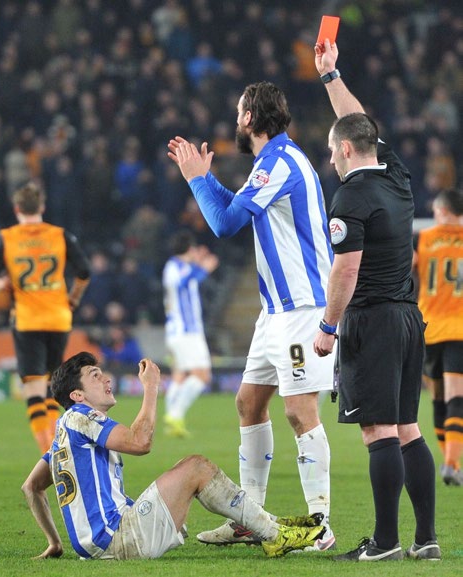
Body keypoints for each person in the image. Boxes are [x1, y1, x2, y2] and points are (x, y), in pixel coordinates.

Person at [167, 81, 335, 550]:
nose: (235, 117)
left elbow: (223, 224)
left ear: (249, 118)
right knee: (248, 403)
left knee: (300, 411)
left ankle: (321, 524)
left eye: (238, 110)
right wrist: (204, 177)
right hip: (276, 311)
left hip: (302, 307)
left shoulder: (279, 162)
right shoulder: (272, 162)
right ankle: (250, 520)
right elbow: (236, 207)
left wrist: (195, 180)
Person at [312, 40, 439, 561]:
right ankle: (425, 540)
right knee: (408, 426)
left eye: (330, 147)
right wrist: (330, 76)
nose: (331, 154)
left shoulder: (350, 198)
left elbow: (346, 269)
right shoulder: (397, 177)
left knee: (376, 429)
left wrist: (327, 325)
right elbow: (360, 123)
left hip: (373, 320)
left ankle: (384, 543)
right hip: (410, 318)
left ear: (342, 151)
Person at [21, 351, 326, 560]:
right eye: (95, 375)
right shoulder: (79, 416)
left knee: (188, 469)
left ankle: (269, 525)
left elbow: (31, 487)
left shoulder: (64, 433)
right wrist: (151, 388)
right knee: (196, 467)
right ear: (77, 395)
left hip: (101, 544)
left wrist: (56, 543)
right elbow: (140, 442)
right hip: (118, 540)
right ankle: (273, 534)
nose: (106, 379)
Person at [0, 182, 90, 453]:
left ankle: (48, 452)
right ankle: (59, 447)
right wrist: (74, 298)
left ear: (16, 208)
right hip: (58, 318)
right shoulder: (60, 235)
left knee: (33, 386)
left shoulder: (7, 238)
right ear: (42, 207)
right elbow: (84, 271)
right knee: (53, 385)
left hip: (27, 320)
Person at [414, 188, 463, 486]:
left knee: (438, 398)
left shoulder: (425, 239)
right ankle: (451, 464)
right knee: (458, 396)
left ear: (443, 210)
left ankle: (450, 462)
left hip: (428, 327)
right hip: (459, 328)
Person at [162, 229, 219, 437]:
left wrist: (198, 264)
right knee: (203, 376)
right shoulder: (175, 266)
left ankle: (172, 420)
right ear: (190, 248)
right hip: (187, 332)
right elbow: (184, 282)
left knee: (179, 375)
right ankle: (175, 414)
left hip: (177, 332)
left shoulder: (178, 266)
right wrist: (204, 268)